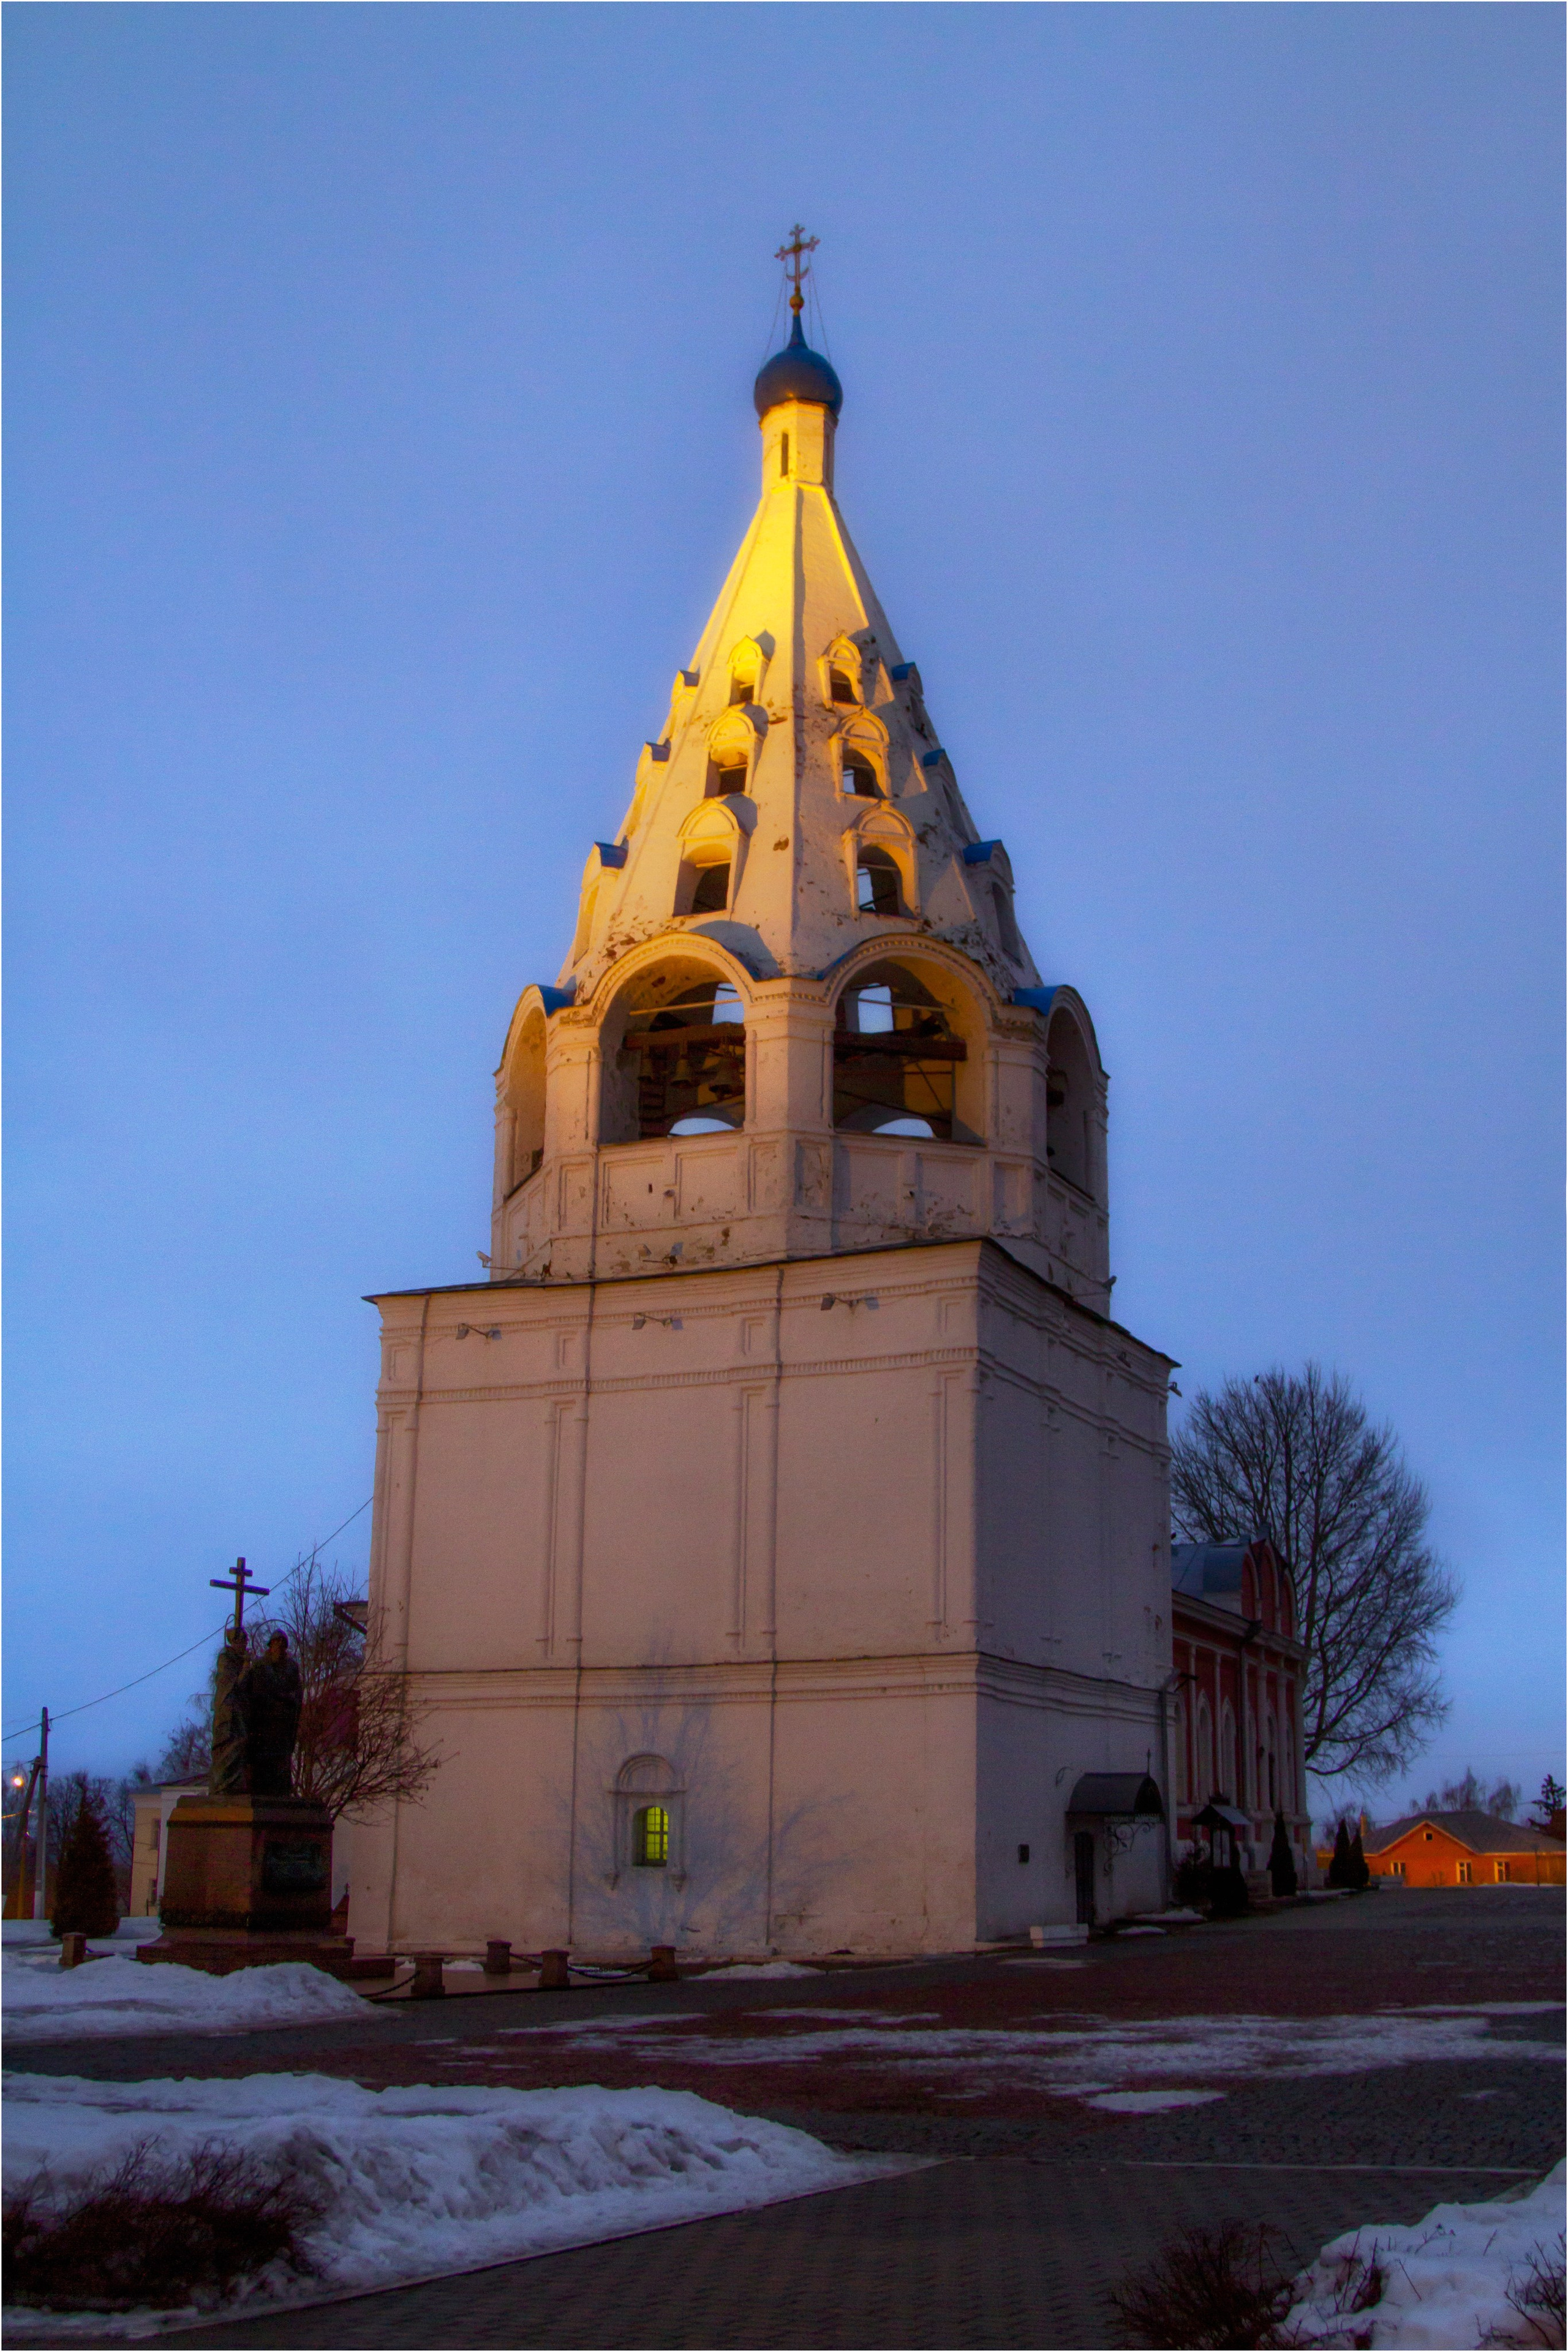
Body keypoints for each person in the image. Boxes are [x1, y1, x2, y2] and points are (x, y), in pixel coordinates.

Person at [241, 1631, 304, 1798]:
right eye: (276, 1644)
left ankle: (281, 1789)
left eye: (282, 1645)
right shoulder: (260, 1666)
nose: (279, 1648)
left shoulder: (291, 1667)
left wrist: (288, 1699)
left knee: (281, 1759)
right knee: (263, 1759)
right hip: (263, 1722)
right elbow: (255, 1692)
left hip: (283, 1721)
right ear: (270, 1646)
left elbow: (297, 1692)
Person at [208, 1627, 249, 1796]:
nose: (244, 1645)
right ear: (233, 1642)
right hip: (227, 1711)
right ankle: (223, 1785)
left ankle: (235, 1783)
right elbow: (234, 1684)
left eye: (245, 1641)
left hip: (239, 1709)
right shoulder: (225, 1660)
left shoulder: (240, 1659)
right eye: (240, 1641)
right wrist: (246, 1666)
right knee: (228, 1745)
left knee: (241, 1743)